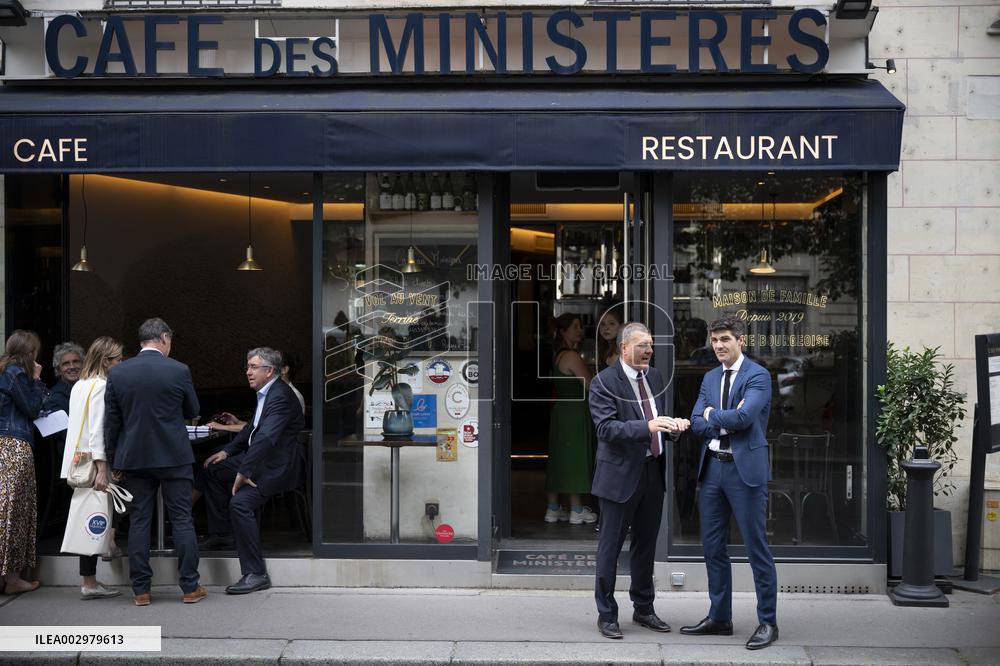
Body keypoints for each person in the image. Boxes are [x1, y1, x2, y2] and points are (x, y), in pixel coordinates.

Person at [589, 322, 689, 639]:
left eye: (650, 345)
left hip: (651, 472)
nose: (648, 350)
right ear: (623, 348)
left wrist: (672, 428)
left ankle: (644, 608)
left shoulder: (655, 377)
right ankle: (606, 614)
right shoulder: (603, 382)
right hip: (619, 476)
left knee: (646, 545)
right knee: (610, 547)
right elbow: (606, 429)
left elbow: (657, 420)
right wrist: (648, 426)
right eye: (642, 345)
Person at [682, 316, 777, 650]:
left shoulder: (758, 376)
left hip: (744, 471)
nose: (718, 345)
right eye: (715, 340)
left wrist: (713, 415)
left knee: (756, 548)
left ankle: (767, 621)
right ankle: (720, 617)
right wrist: (714, 418)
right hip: (713, 471)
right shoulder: (709, 377)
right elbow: (696, 422)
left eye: (725, 339)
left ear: (741, 341)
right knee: (712, 548)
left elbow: (744, 417)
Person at [104, 317, 205, 606]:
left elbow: (111, 422)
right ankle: (189, 587)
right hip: (173, 455)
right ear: (163, 337)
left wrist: (114, 462)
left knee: (139, 520)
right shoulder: (178, 370)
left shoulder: (119, 372)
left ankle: (141, 590)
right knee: (183, 518)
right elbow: (193, 409)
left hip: (134, 457)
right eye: (170, 340)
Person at [197, 347, 304, 594]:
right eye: (247, 367)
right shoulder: (266, 392)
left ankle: (255, 573)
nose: (248, 372)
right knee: (213, 469)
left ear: (269, 371)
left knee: (240, 504)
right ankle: (223, 533)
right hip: (261, 460)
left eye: (253, 367)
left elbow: (265, 437)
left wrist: (244, 471)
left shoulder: (280, 396)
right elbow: (252, 429)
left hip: (277, 467)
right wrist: (227, 452)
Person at [60, 336, 124, 600]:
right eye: (118, 359)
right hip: (94, 463)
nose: (121, 363)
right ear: (106, 361)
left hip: (77, 462)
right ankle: (90, 580)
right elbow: (97, 430)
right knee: (94, 520)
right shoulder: (100, 387)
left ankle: (90, 578)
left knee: (89, 518)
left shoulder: (79, 386)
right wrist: (102, 468)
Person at [0, 329, 48, 595]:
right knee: (15, 513)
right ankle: (13, 579)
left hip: (3, 445)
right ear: (30, 353)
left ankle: (7, 576)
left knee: (6, 510)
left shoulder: (3, 370)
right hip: (14, 446)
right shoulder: (16, 373)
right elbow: (31, 407)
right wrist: (38, 380)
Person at [544, 313, 597, 525]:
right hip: (575, 411)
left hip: (561, 411)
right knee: (576, 458)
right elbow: (591, 385)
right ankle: (576, 510)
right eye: (575, 326)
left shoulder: (558, 354)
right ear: (564, 331)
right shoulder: (573, 357)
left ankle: (553, 508)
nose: (580, 330)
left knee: (559, 459)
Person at [44, 342, 84, 415]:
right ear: (58, 369)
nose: (72, 367)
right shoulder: (54, 398)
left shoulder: (89, 389)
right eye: (66, 363)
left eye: (76, 361)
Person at [596, 304, 624, 371]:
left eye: (611, 323)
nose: (606, 328)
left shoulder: (619, 353)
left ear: (621, 326)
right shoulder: (605, 350)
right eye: (602, 324)